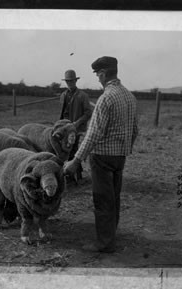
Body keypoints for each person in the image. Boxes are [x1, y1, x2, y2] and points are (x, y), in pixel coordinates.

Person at [63, 56, 138, 253]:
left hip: (102, 157)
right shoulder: (130, 96)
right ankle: (110, 235)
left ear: (104, 74)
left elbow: (94, 133)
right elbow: (135, 129)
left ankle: (104, 244)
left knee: (102, 200)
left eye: (98, 75)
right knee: (114, 198)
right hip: (119, 157)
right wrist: (125, 149)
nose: (97, 79)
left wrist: (75, 160)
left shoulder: (106, 98)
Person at [59, 69, 92, 183]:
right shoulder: (63, 95)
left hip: (76, 129)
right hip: (65, 128)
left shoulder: (82, 96)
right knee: (66, 150)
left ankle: (74, 177)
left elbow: (88, 113)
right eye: (67, 81)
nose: (69, 83)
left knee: (74, 150)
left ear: (75, 81)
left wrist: (77, 123)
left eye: (71, 81)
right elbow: (62, 113)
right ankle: (74, 175)